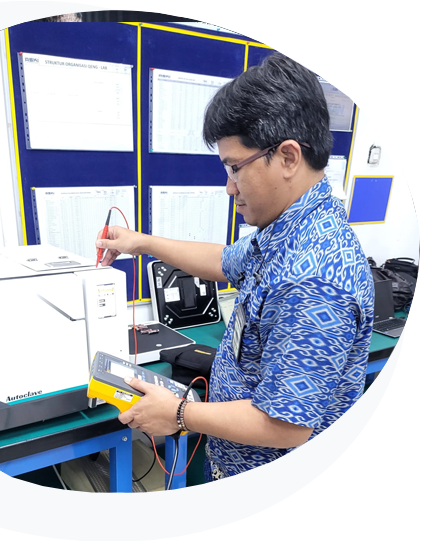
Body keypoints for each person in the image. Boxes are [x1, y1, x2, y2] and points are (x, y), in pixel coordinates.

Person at [96, 51, 374, 481]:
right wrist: (141, 243)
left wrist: (180, 413)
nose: (229, 187)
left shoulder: (314, 279)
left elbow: (285, 426)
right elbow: (223, 261)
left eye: (234, 168)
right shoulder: (287, 231)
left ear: (288, 157)